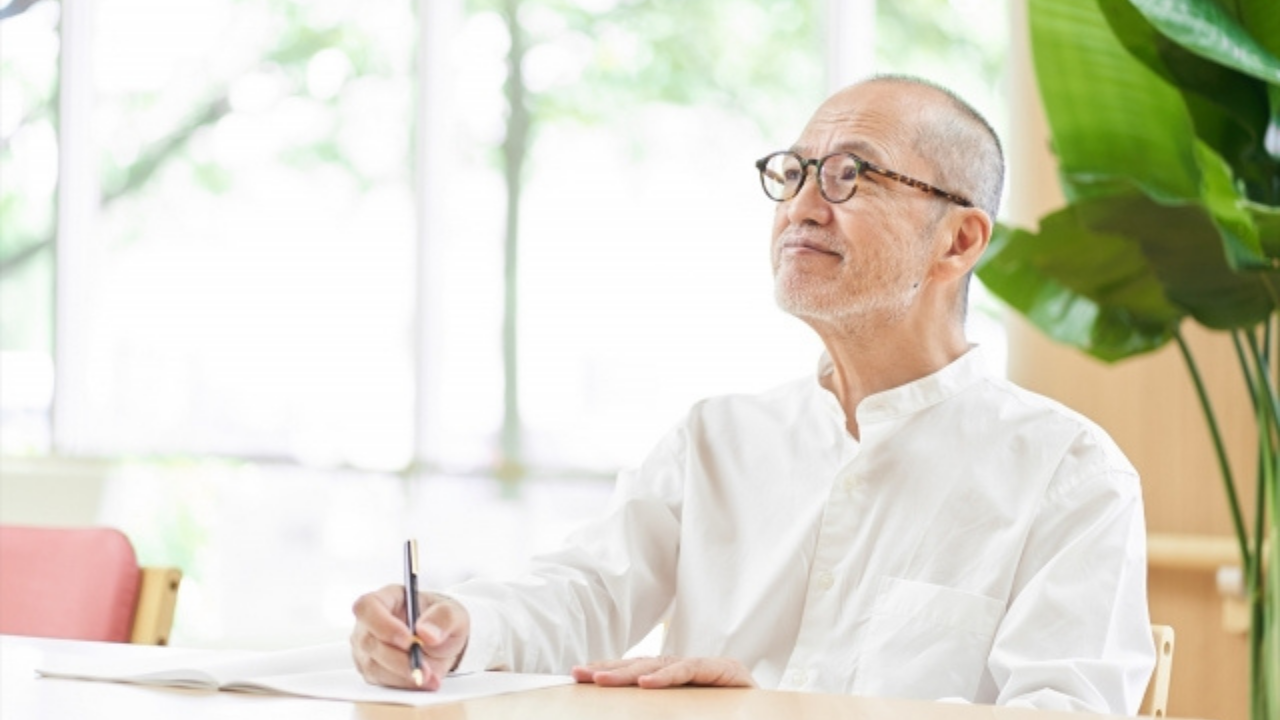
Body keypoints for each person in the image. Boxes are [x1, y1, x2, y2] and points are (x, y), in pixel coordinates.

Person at [350, 75, 1156, 713]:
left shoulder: (1071, 475)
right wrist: (457, 629)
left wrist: (779, 711)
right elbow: (587, 592)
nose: (802, 207)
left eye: (849, 176)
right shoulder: (717, 437)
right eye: (794, 173)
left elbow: (1065, 711)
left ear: (959, 240)